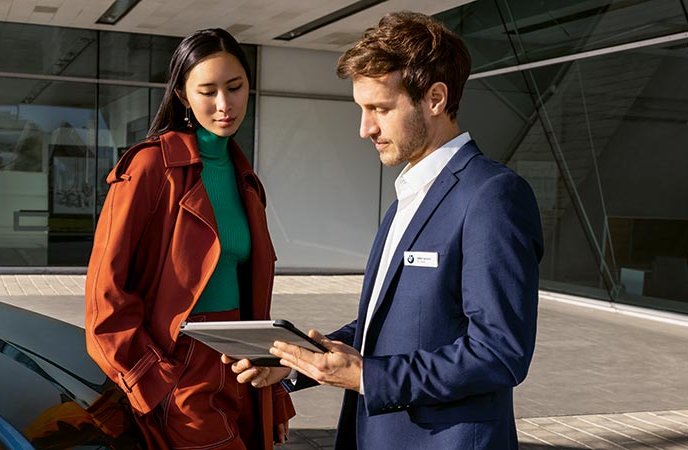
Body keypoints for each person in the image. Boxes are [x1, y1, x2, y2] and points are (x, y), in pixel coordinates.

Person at [229, 11, 543, 450]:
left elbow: (499, 353)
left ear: (435, 99)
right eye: (362, 109)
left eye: (380, 108)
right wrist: (301, 360)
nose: (365, 128)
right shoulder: (408, 197)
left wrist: (368, 376)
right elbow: (386, 326)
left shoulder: (493, 195)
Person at [85, 28, 295, 450]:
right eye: (208, 91)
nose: (224, 104)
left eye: (235, 87)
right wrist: (155, 383)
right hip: (178, 369)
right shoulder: (149, 168)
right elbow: (104, 297)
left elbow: (251, 294)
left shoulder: (245, 179)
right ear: (182, 95)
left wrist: (272, 391)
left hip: (243, 367)